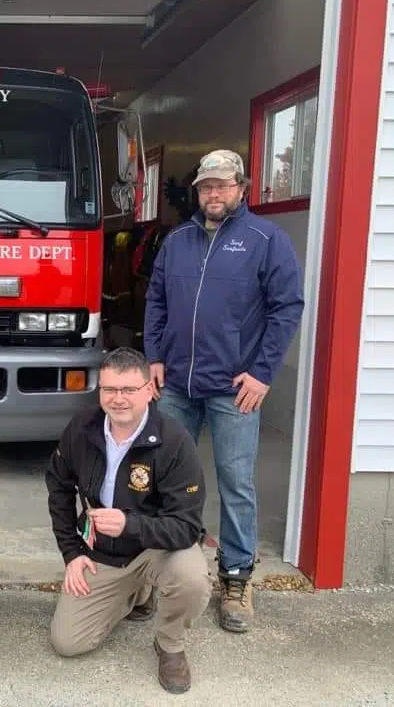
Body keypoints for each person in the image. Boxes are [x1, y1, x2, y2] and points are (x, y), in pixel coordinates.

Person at [143, 149, 305, 634]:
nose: (213, 194)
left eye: (223, 185)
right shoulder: (178, 240)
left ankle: (236, 577)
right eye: (206, 186)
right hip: (177, 384)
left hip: (235, 388)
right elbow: (156, 299)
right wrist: (154, 356)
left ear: (242, 188)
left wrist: (261, 372)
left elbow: (287, 307)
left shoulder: (265, 240)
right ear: (198, 192)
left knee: (236, 482)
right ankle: (160, 570)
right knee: (162, 477)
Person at [45, 347, 212, 695]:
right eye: (109, 390)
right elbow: (58, 488)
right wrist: (72, 554)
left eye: (128, 390)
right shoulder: (81, 428)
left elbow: (186, 527)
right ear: (100, 391)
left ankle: (170, 645)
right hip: (101, 552)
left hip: (156, 548)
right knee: (67, 642)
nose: (118, 399)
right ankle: (136, 593)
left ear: (149, 390)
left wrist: (129, 525)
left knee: (192, 576)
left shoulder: (175, 441)